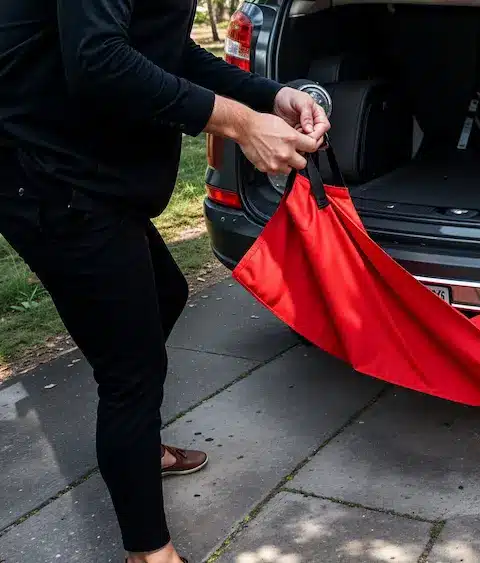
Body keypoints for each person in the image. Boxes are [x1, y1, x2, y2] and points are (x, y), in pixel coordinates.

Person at [0, 1, 330, 562]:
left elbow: (166, 48)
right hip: (48, 179)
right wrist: (241, 124)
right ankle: (150, 553)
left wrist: (268, 95)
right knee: (131, 371)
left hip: (90, 172)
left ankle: (134, 446)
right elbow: (99, 59)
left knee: (164, 296)